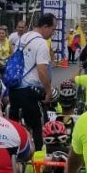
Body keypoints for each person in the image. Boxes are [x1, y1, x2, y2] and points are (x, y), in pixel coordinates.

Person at [9, 13, 56, 152]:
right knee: (38, 125)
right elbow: (42, 71)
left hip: (14, 87)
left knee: (13, 125)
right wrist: (48, 91)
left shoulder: (23, 37)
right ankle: (39, 159)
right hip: (29, 90)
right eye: (53, 29)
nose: (53, 33)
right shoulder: (41, 43)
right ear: (45, 26)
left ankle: (12, 155)